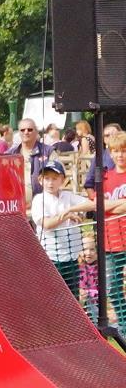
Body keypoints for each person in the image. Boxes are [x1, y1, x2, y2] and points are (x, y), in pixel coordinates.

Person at [33, 157, 96, 301]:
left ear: (62, 180)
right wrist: (67, 215)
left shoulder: (67, 196)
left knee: (73, 298)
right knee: (53, 298)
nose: (50, 182)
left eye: (55, 178)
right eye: (47, 178)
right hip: (50, 259)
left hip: (71, 258)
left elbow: (91, 205)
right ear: (40, 180)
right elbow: (46, 224)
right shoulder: (39, 200)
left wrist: (72, 208)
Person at [91, 132, 126, 324]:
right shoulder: (104, 177)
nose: (120, 155)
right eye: (116, 151)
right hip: (111, 240)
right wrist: (120, 205)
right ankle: (123, 323)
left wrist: (110, 204)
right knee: (112, 287)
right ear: (110, 153)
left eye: (123, 151)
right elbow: (97, 203)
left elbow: (106, 205)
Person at [11, 118, 53, 195]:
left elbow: (59, 174)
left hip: (41, 201)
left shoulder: (48, 151)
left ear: (36, 132)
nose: (26, 132)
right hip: (16, 201)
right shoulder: (10, 154)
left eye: (30, 129)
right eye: (22, 130)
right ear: (19, 133)